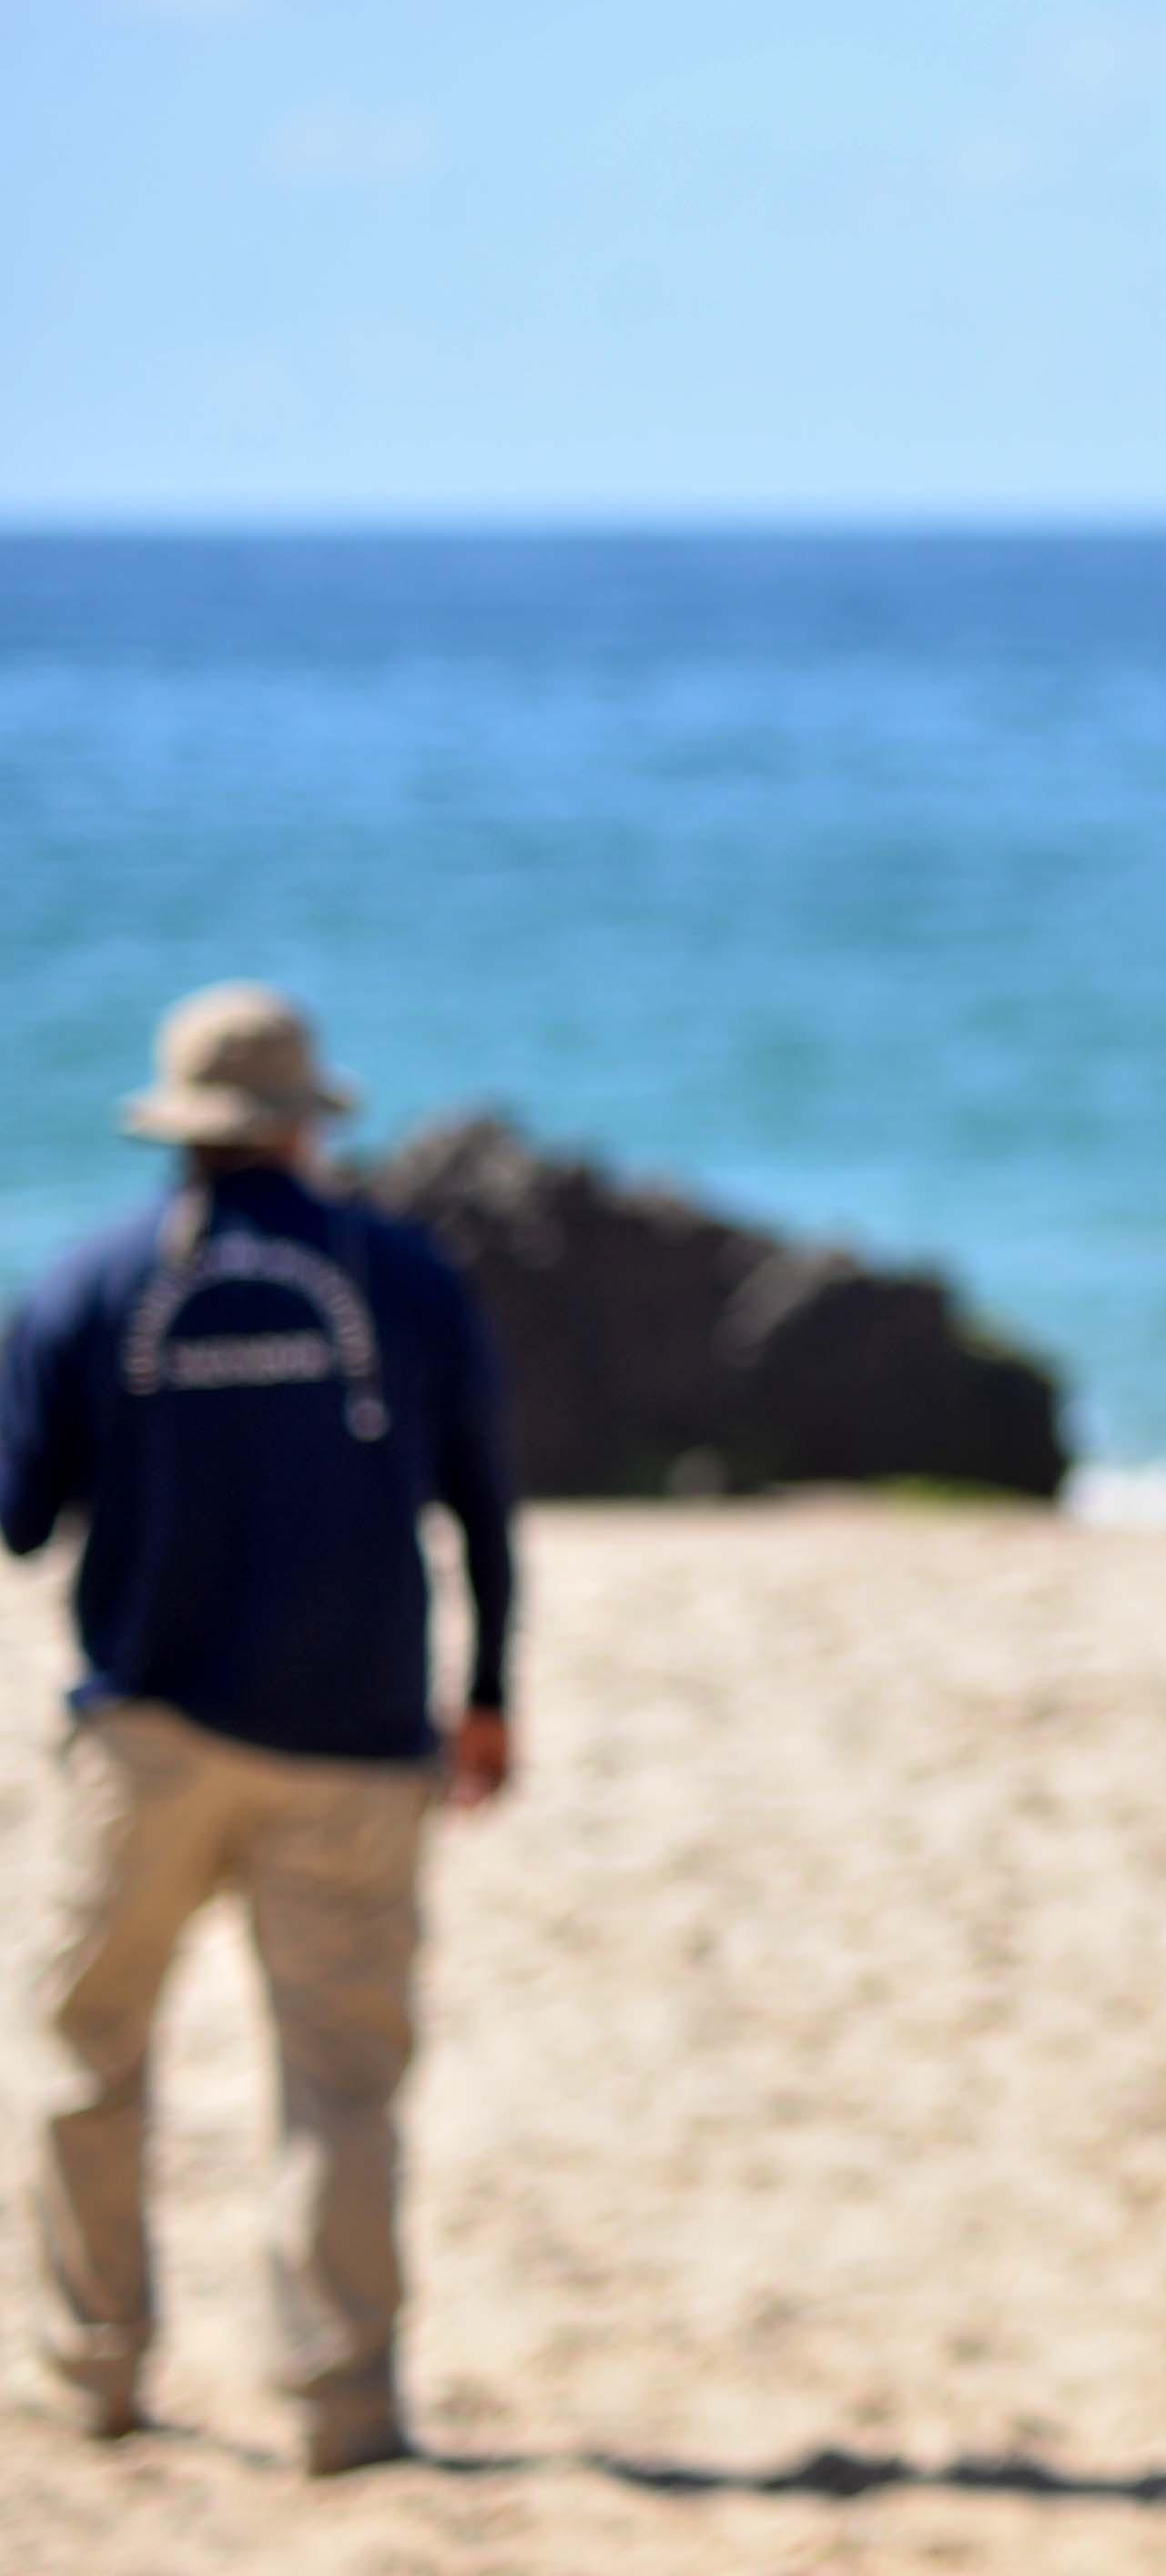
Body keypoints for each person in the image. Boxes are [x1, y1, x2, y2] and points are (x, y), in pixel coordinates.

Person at [1, 983, 517, 2474]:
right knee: (340, 2083)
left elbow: (24, 1516)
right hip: (357, 1742)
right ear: (304, 1123)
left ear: (180, 1128)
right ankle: (339, 2404)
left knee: (89, 2054)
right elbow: (483, 1505)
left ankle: (90, 2367)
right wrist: (489, 1695)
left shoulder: (85, 1285)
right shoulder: (409, 1279)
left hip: (143, 1737)